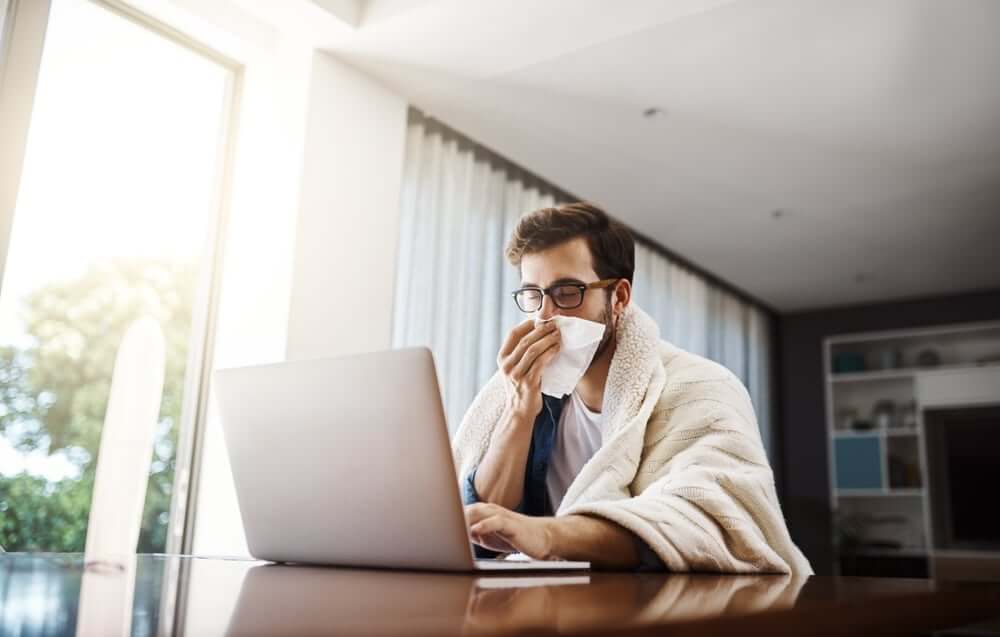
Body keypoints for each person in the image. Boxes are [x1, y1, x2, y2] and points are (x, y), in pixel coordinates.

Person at [454, 202, 812, 573]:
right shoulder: (523, 389)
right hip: (553, 599)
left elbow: (705, 516)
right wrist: (519, 411)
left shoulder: (704, 387)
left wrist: (548, 536)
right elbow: (482, 529)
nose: (545, 314)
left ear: (620, 297)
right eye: (533, 294)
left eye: (567, 292)